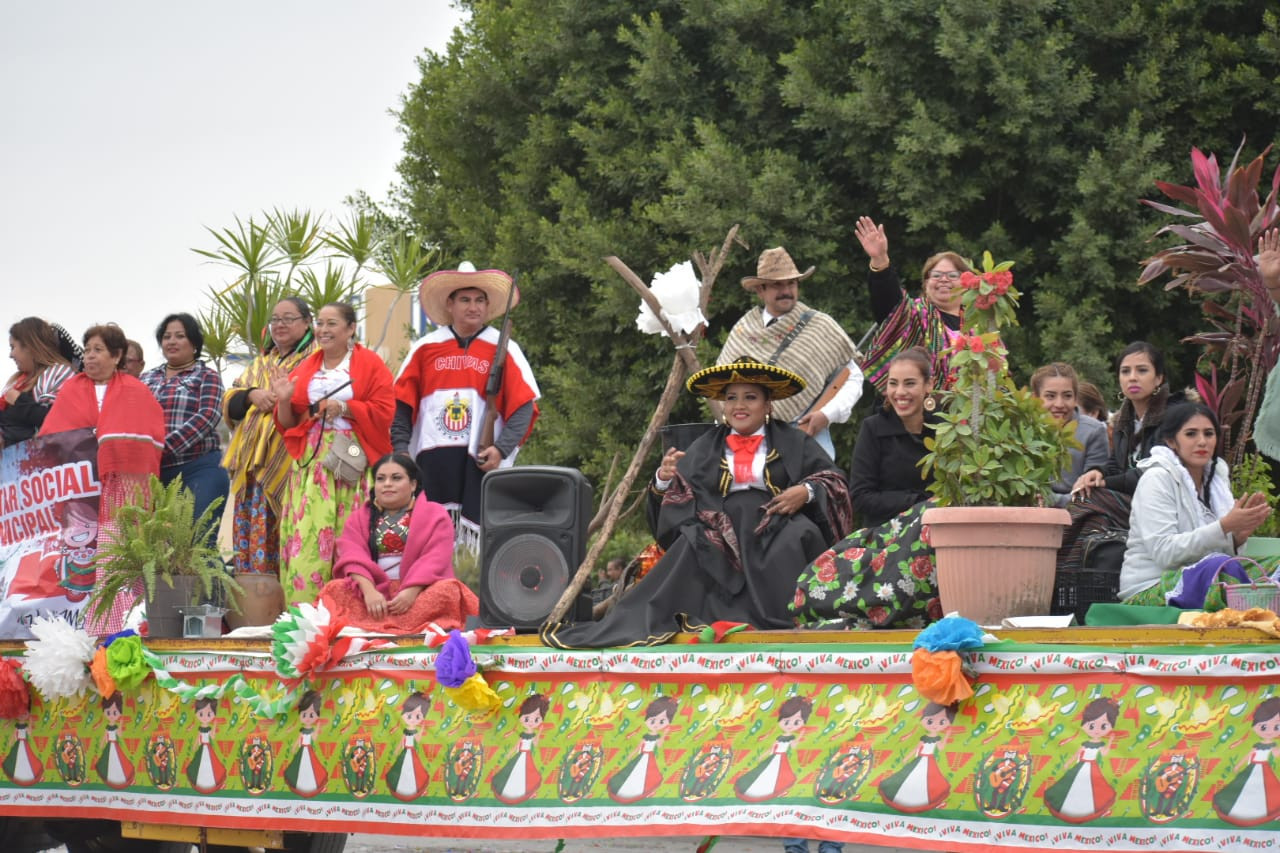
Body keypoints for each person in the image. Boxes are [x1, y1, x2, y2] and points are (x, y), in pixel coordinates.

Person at [542, 359, 853, 649]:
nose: (740, 406)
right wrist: (664, 479)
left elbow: (834, 480)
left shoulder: (794, 440)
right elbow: (678, 498)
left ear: (767, 403)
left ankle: (793, 620)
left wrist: (807, 491)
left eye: (750, 397)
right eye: (731, 398)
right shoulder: (704, 445)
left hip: (777, 524)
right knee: (691, 543)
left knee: (798, 536)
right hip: (719, 532)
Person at [393, 263, 540, 553]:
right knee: (430, 544)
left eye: (480, 300)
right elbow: (401, 404)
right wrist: (400, 452)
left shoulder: (505, 347)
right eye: (465, 299)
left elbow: (524, 406)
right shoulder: (424, 347)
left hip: (481, 462)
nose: (473, 307)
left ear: (487, 306)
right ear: (450, 304)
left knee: (479, 552)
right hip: (430, 464)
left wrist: (501, 449)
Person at [792, 349, 942, 629]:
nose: (900, 392)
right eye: (893, 384)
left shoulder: (947, 428)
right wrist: (921, 504)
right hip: (887, 537)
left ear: (928, 386)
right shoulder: (873, 429)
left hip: (939, 535)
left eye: (909, 383)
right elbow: (861, 498)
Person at [41, 323, 165, 633]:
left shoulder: (136, 390)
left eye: (98, 350)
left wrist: (108, 443)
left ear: (117, 355)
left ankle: (119, 627)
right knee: (77, 560)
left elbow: (149, 438)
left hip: (121, 493)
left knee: (117, 557)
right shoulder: (71, 388)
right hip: (78, 495)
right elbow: (50, 440)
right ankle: (73, 629)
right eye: (86, 350)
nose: (89, 357)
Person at [270, 302, 395, 607]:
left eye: (332, 324)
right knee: (308, 537)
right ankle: (306, 616)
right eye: (321, 324)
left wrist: (348, 408)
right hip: (311, 462)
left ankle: (352, 611)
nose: (323, 331)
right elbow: (288, 424)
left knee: (349, 534)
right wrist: (284, 401)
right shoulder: (307, 367)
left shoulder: (370, 364)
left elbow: (386, 411)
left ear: (351, 329)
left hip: (351, 457)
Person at [1120, 401, 1276, 607]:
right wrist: (1224, 526)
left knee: (1273, 566)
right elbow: (1165, 553)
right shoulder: (1156, 479)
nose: (1202, 441)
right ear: (1172, 441)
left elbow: (1222, 554)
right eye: (1191, 434)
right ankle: (1254, 615)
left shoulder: (1216, 479)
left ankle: (1265, 617)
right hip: (1151, 588)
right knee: (1218, 570)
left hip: (1208, 573)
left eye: (1209, 434)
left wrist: (1237, 536)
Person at [716, 247, 863, 460]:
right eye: (777, 284)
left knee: (819, 487)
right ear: (760, 290)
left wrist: (826, 415)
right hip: (747, 443)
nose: (786, 290)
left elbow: (853, 377)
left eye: (791, 283)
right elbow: (721, 389)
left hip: (807, 436)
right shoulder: (743, 329)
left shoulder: (820, 326)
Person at [320, 453, 478, 634]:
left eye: (396, 478)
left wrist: (411, 592)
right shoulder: (359, 517)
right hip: (373, 595)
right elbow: (351, 555)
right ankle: (386, 623)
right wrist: (369, 591)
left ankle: (376, 625)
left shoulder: (436, 514)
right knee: (334, 589)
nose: (387, 484)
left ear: (413, 484)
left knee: (448, 590)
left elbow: (435, 557)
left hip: (418, 593)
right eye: (381, 479)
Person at [221, 298, 316, 576]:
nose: (280, 325)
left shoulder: (316, 359)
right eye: (275, 319)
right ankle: (253, 602)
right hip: (252, 469)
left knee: (291, 532)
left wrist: (282, 399)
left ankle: (287, 604)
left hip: (294, 461)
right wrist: (252, 395)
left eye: (289, 318)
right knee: (249, 532)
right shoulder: (261, 363)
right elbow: (230, 397)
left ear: (307, 322)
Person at [854, 216, 970, 392]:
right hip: (907, 412)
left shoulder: (979, 326)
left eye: (953, 275)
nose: (944, 280)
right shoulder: (915, 314)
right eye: (936, 275)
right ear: (926, 283)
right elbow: (888, 302)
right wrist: (880, 260)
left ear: (966, 283)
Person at [140, 313, 229, 534]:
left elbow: (207, 416)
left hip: (198, 468)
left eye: (180, 336)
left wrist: (163, 448)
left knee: (197, 542)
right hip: (152, 473)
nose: (172, 341)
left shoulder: (207, 376)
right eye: (167, 336)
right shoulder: (146, 378)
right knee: (154, 546)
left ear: (194, 344)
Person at [1072, 341, 1169, 498]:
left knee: (1087, 502)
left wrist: (1106, 483)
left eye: (1142, 370)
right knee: (1082, 497)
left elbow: (1154, 473)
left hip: (1161, 500)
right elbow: (1116, 466)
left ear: (1158, 378)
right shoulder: (1122, 422)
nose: (1132, 378)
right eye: (1125, 371)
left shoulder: (1173, 418)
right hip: (1131, 499)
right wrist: (1097, 472)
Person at [1030, 363, 1109, 508]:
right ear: (1035, 397)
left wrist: (1051, 500)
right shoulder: (1025, 430)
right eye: (1050, 396)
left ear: (1075, 398)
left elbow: (1093, 491)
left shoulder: (1093, 431)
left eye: (1067, 396)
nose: (1059, 404)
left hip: (1077, 514)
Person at [1, 317, 75, 451]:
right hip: (15, 465)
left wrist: (19, 401)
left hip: (48, 462)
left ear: (29, 347)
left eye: (13, 347)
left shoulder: (60, 373)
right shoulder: (18, 383)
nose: (11, 355)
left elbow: (58, 419)